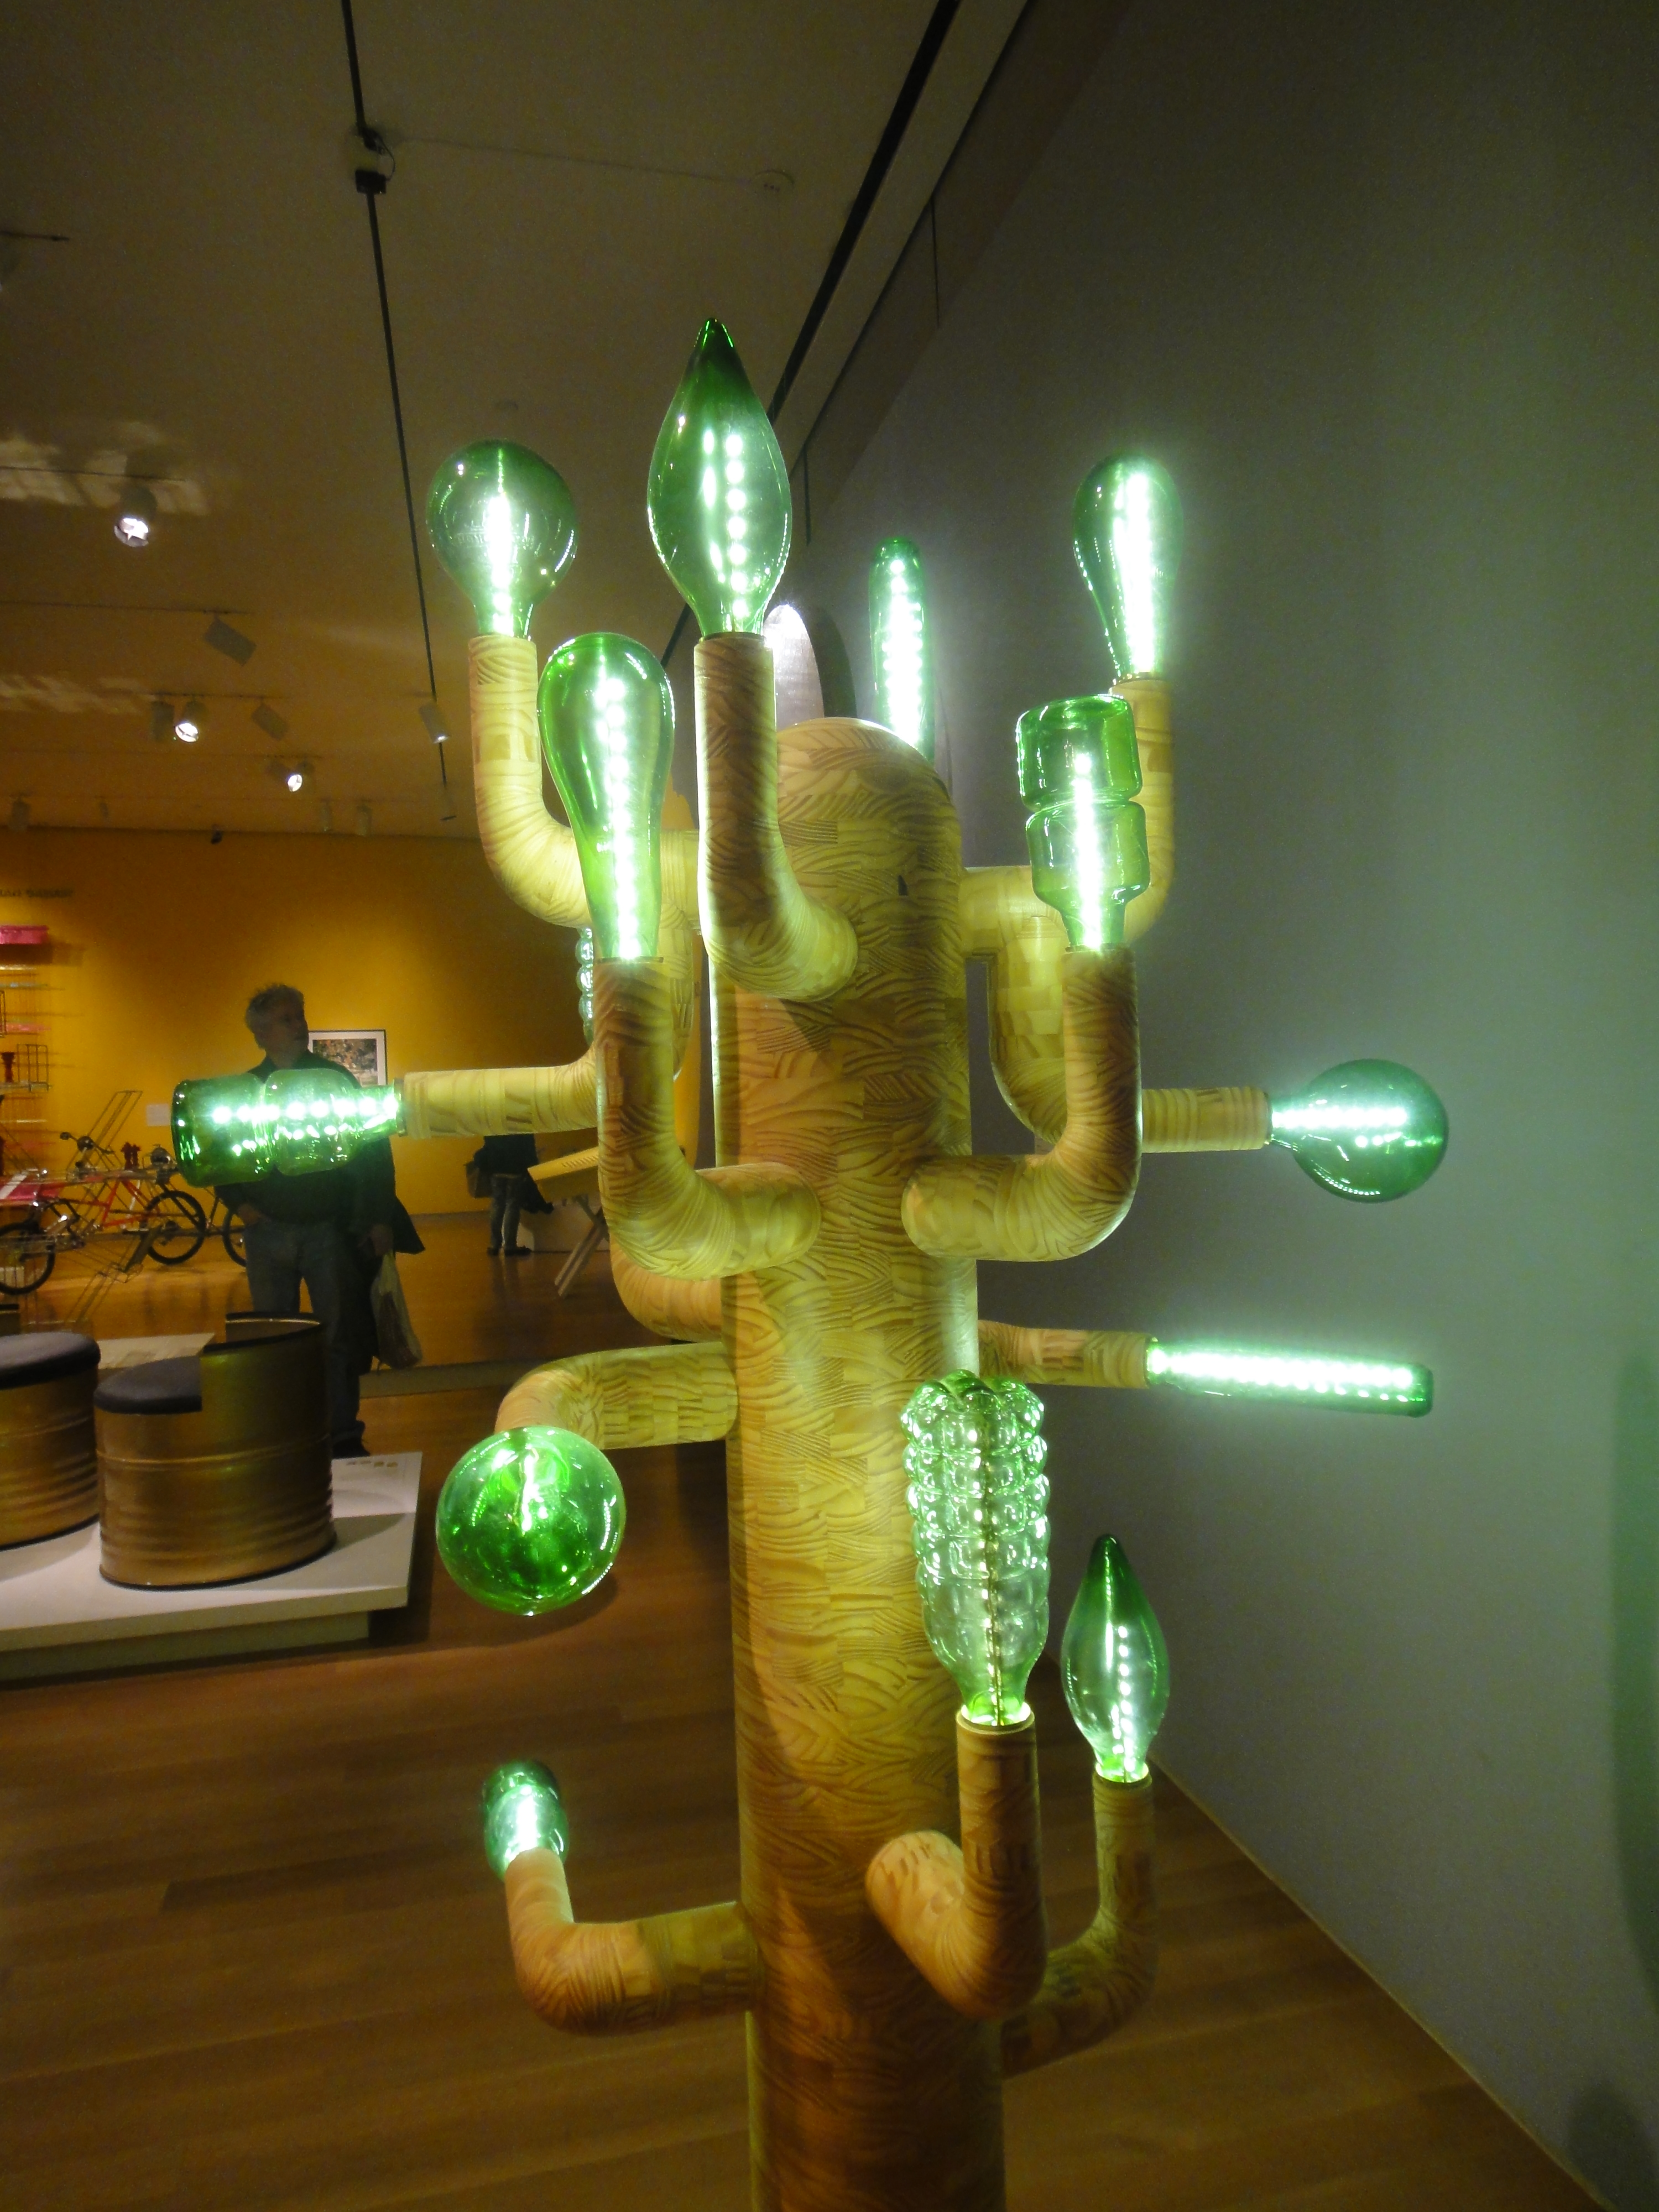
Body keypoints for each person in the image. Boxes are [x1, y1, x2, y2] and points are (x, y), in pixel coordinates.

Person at [214, 983, 419, 1458]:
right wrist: (240, 1205)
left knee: (339, 1336)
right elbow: (223, 1154)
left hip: (328, 1228)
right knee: (276, 1340)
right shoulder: (248, 1090)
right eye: (287, 1019)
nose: (300, 1025)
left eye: (300, 1015)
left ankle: (342, 1432)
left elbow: (373, 1150)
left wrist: (377, 1218)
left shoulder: (335, 1080)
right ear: (261, 1033)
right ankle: (288, 1433)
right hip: (268, 1231)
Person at [473, 1132, 541, 1256]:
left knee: (497, 1204)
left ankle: (494, 1245)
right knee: (512, 1206)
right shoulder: (522, 1128)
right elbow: (529, 1151)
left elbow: (488, 1144)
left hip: (496, 1169)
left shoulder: (496, 1126)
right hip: (515, 1170)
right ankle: (510, 1246)